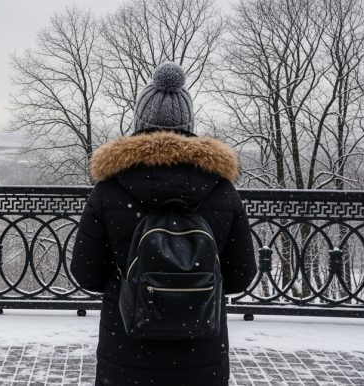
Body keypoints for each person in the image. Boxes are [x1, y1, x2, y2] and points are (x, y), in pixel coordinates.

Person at [70, 61, 257, 385]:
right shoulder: (223, 189)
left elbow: (86, 273)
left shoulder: (110, 188)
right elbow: (241, 277)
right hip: (201, 354)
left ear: (139, 123)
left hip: (127, 348)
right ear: (189, 125)